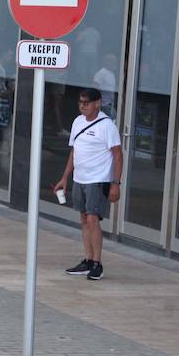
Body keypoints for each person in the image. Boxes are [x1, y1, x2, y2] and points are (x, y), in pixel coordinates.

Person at [52, 86, 122, 281]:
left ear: (97, 103)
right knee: (83, 218)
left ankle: (98, 263)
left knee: (93, 219)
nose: (82, 106)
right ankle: (88, 260)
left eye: (86, 103)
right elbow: (74, 152)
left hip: (98, 180)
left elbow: (117, 155)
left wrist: (115, 183)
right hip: (80, 178)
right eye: (80, 103)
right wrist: (65, 177)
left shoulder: (107, 126)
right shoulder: (77, 122)